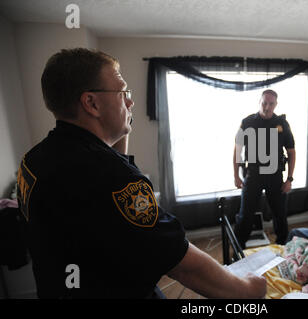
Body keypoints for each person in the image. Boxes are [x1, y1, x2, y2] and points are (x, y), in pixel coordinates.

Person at [16, 48, 266, 299]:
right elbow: (181, 262)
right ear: (91, 103)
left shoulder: (32, 160)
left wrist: (119, 130)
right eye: (123, 92)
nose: (130, 101)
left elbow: (96, 206)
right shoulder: (111, 177)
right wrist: (246, 290)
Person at [233, 89, 296, 248]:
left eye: (271, 104)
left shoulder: (282, 124)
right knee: (245, 216)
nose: (267, 107)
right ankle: (237, 250)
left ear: (276, 104)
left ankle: (282, 248)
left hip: (275, 176)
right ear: (259, 102)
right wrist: (236, 175)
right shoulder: (247, 122)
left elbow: (291, 152)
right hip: (253, 175)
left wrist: (289, 179)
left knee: (280, 216)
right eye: (264, 103)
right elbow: (237, 150)